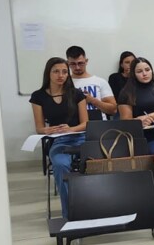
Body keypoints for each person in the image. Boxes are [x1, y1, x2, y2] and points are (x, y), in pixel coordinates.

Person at [29, 57, 87, 218]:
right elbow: (39, 127)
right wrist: (48, 130)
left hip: (81, 137)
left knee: (98, 162)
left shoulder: (76, 94)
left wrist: (71, 128)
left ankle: (98, 208)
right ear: (48, 73)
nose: (61, 75)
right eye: (56, 71)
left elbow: (86, 123)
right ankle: (71, 215)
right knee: (61, 165)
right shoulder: (38, 96)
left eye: (64, 72)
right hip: (59, 141)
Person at [65, 45, 116, 120]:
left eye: (80, 63)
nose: (77, 67)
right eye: (73, 64)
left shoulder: (100, 82)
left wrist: (92, 100)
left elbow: (113, 110)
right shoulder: (64, 83)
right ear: (67, 63)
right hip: (74, 125)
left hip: (98, 125)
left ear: (86, 61)